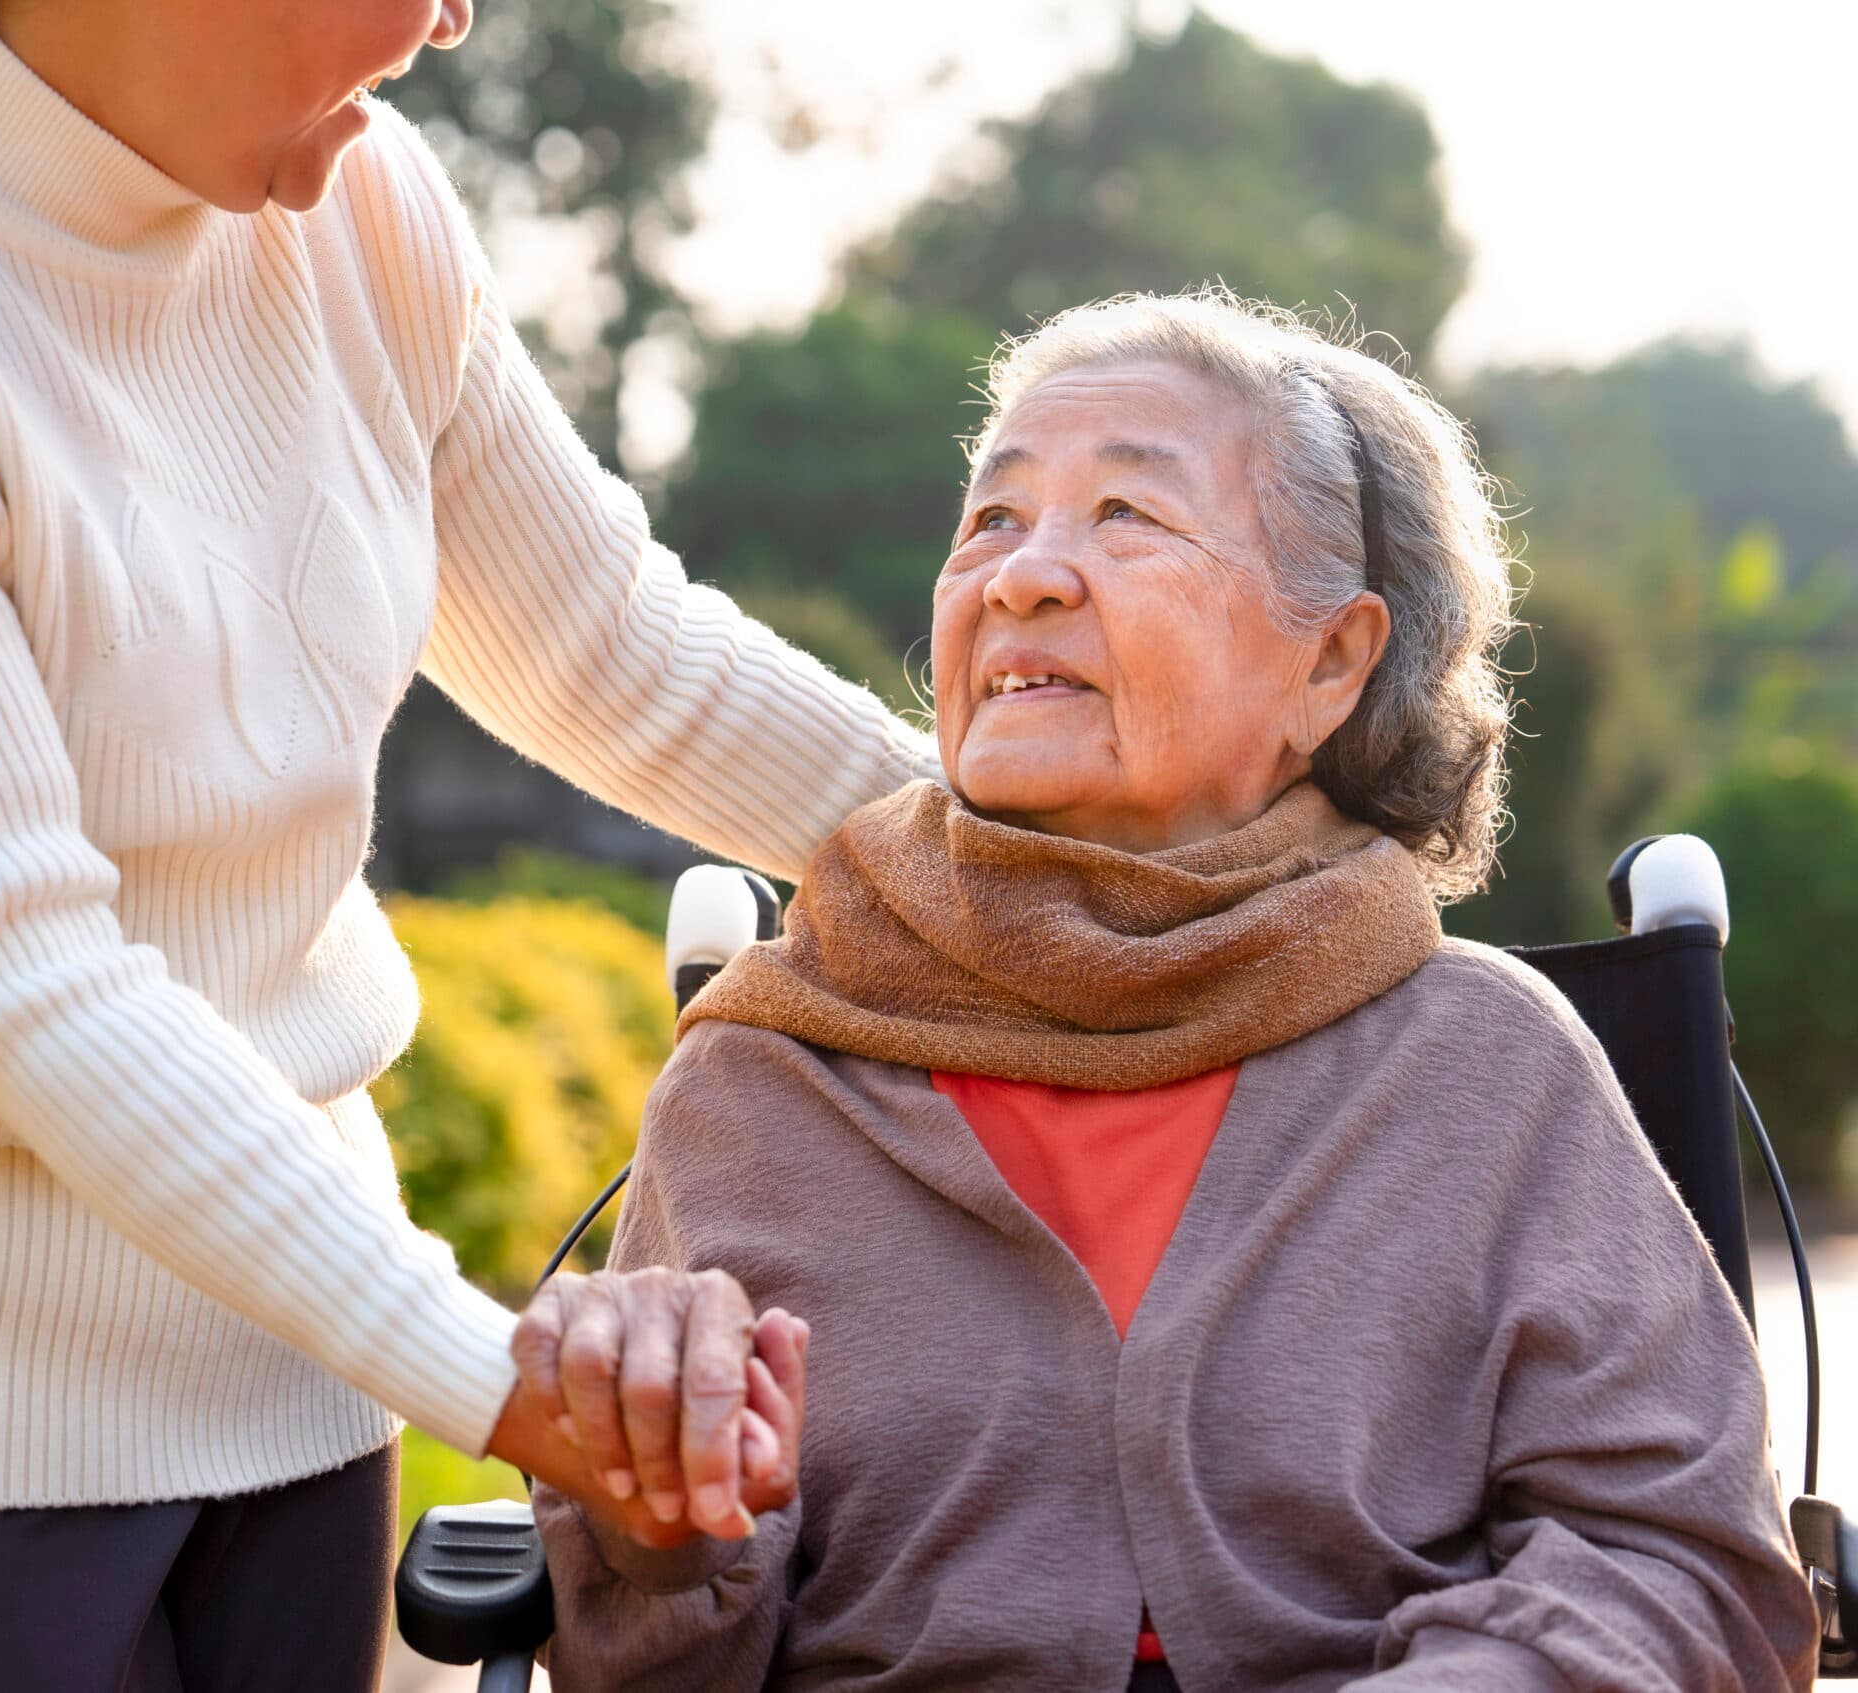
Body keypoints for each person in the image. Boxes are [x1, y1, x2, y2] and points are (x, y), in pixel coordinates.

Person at [0, 0, 904, 1682]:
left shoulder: (357, 207)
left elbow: (612, 646)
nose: (457, 14)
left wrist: (1067, 853)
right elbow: (28, 982)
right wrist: (495, 1372)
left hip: (290, 1391)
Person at [531, 290, 1822, 1691]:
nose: (1022, 576)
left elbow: (1686, 1562)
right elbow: (651, 1664)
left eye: (1125, 517)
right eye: (992, 520)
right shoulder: (767, 1082)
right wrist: (659, 1538)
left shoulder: (1490, 1071)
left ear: (1329, 660)